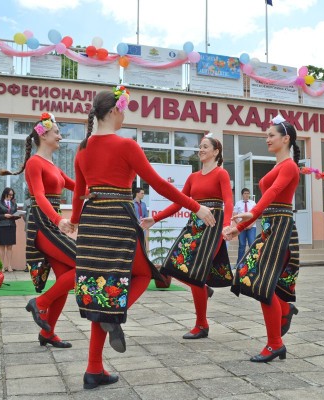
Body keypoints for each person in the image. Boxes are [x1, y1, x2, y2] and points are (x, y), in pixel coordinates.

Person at [64, 86, 215, 390]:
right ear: (114, 111)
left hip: (93, 221)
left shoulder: (82, 149)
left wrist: (74, 222)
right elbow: (159, 184)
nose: (125, 116)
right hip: (118, 219)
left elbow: (80, 193)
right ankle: (115, 319)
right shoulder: (126, 145)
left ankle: (94, 368)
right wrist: (196, 206)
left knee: (100, 288)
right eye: (124, 111)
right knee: (144, 274)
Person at [222, 115, 301, 363]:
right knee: (250, 275)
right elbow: (268, 203)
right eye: (266, 135)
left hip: (280, 228)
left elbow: (275, 193)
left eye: (271, 135)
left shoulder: (289, 166)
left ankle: (275, 343)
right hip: (270, 227)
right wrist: (241, 227)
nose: (267, 139)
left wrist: (253, 213)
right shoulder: (278, 167)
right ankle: (285, 310)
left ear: (285, 138)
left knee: (261, 283)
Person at [141, 133, 234, 340]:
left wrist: (226, 226)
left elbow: (228, 201)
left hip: (213, 226)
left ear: (216, 152)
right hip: (194, 225)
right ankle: (204, 291)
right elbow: (179, 202)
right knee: (171, 264)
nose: (200, 150)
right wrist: (155, 219)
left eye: (205, 147)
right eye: (199, 147)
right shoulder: (193, 177)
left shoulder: (221, 174)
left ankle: (202, 325)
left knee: (195, 273)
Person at [0, 112, 77, 349]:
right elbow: (39, 196)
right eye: (57, 133)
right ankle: (40, 302)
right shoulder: (35, 163)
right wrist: (58, 218)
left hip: (53, 224)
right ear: (44, 136)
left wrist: (102, 190)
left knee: (65, 278)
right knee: (83, 264)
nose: (60, 137)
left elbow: (77, 187)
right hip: (43, 225)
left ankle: (48, 334)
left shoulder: (53, 166)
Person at [0, 187, 20, 272]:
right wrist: (4, 215)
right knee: (2, 246)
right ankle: (1, 266)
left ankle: (9, 266)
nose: (11, 196)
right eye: (9, 194)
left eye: (12, 195)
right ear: (5, 194)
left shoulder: (14, 204)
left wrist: (17, 215)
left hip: (11, 226)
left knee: (10, 246)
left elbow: (16, 215)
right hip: (2, 226)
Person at [233, 188, 257, 264]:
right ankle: (239, 264)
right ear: (242, 195)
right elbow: (234, 215)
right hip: (241, 227)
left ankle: (253, 263)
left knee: (252, 244)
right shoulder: (238, 203)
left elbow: (256, 215)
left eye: (248, 193)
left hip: (251, 227)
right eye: (245, 193)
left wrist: (251, 224)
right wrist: (240, 225)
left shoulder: (253, 203)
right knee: (242, 245)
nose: (247, 195)